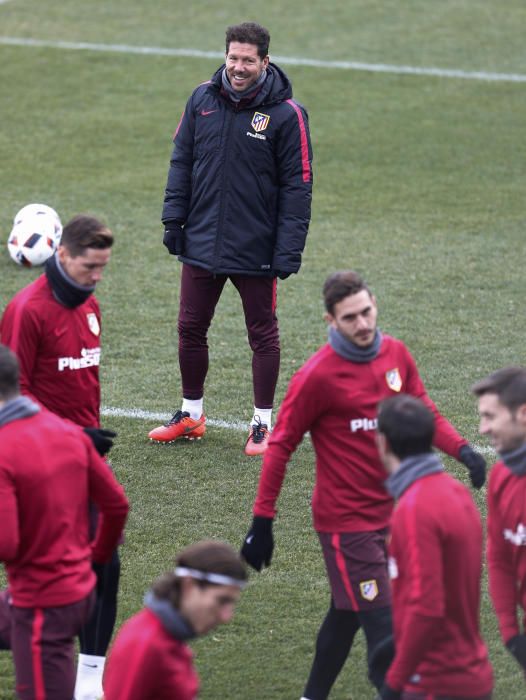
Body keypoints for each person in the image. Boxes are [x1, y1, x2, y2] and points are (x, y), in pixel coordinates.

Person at [241, 270, 486, 700]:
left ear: (375, 303)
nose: (363, 324)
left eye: (367, 312)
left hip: (397, 515)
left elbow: (422, 407)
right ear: (331, 321)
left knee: (347, 610)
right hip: (346, 524)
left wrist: (462, 450)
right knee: (387, 636)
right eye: (350, 317)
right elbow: (279, 446)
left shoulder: (395, 354)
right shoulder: (317, 376)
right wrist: (262, 520)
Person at [148, 21, 313, 456]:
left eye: (248, 60)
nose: (239, 68)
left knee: (262, 333)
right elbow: (181, 161)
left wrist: (288, 249)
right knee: (189, 328)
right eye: (233, 58)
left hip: (256, 246)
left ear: (265, 62)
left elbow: (298, 187)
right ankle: (191, 413)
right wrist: (173, 220)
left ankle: (262, 423)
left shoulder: (287, 115)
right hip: (201, 240)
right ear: (226, 56)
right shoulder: (202, 98)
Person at [0, 214, 119, 700]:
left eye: (103, 267)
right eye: (90, 266)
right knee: (44, 569)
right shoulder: (27, 311)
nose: (96, 277)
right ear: (62, 254)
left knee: (105, 563)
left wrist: (85, 440)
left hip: (83, 456)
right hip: (43, 462)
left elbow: (82, 382)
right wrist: (74, 437)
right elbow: (13, 394)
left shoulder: (89, 305)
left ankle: (90, 675)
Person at [0, 344, 129, 700]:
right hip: (80, 590)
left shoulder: (4, 448)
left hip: (42, 604)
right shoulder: (71, 433)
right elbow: (116, 506)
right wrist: (99, 558)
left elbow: (7, 543)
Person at [375, 394, 493, 700]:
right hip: (472, 672)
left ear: (383, 443)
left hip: (434, 682)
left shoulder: (414, 508)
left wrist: (393, 684)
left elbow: (427, 608)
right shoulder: (456, 492)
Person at [102, 539, 248, 700]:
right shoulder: (146, 644)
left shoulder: (170, 635)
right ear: (188, 586)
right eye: (221, 601)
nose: (226, 617)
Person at [472, 367, 526, 675]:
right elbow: (500, 556)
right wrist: (510, 634)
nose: (482, 429)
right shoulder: (502, 477)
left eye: (491, 417)